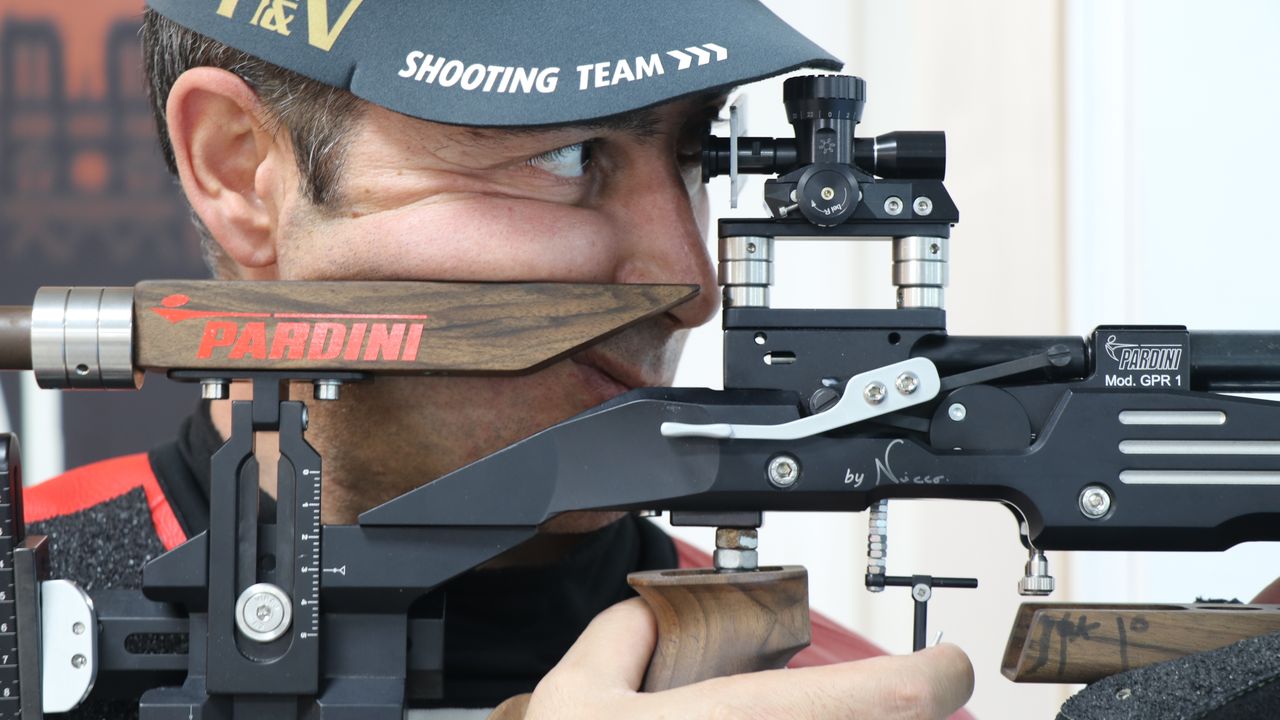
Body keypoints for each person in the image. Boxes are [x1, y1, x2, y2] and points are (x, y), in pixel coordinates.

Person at [25, 1, 976, 718]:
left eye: (694, 157)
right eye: (568, 156)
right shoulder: (27, 606)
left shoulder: (852, 697)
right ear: (240, 170)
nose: (689, 281)